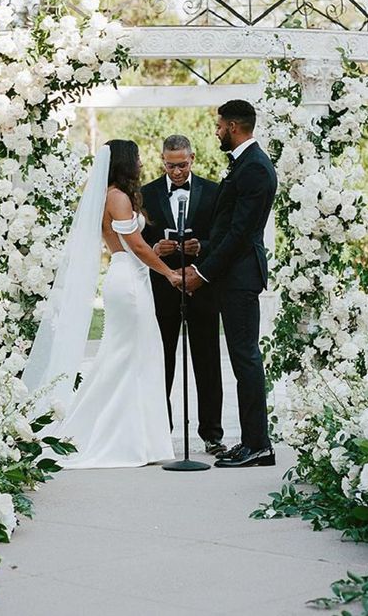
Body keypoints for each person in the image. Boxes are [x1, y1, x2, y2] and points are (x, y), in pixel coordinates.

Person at [23, 140, 176, 468]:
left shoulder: (111, 196)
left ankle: (141, 441)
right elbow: (133, 244)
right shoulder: (117, 197)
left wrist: (155, 253)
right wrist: (170, 274)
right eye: (135, 157)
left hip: (129, 275)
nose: (140, 162)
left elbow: (130, 242)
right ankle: (109, 436)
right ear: (124, 162)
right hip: (129, 281)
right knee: (125, 357)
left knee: (137, 356)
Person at [177, 100, 277, 469]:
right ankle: (251, 440)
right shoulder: (246, 165)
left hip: (240, 277)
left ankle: (259, 446)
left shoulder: (254, 169)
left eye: (219, 125)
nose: (216, 131)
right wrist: (203, 256)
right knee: (240, 359)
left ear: (233, 126)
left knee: (246, 359)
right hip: (231, 275)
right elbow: (227, 228)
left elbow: (240, 233)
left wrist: (202, 274)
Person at [141, 134, 223, 454]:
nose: (176, 171)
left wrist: (201, 246)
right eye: (170, 165)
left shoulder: (214, 192)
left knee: (207, 360)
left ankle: (212, 434)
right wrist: (154, 248)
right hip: (163, 289)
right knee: (162, 361)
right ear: (162, 161)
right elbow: (135, 241)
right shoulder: (145, 194)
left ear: (193, 158)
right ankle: (163, 432)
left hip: (202, 286)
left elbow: (224, 236)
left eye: (182, 165)